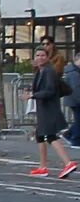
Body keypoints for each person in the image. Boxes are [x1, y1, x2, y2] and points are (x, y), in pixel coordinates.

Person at [27, 47, 79, 178]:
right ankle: (42, 167)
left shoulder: (49, 71)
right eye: (37, 55)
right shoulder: (41, 71)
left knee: (50, 136)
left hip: (49, 108)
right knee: (40, 135)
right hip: (43, 108)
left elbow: (50, 91)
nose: (40, 57)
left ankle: (68, 163)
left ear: (48, 57)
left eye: (43, 55)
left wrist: (33, 95)